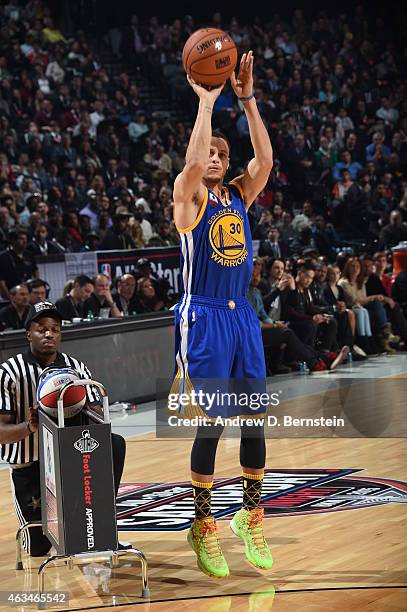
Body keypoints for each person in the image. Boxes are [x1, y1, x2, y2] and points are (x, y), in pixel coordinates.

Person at [171, 52, 274, 578]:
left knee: (255, 417)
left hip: (241, 318)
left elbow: (265, 162)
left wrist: (248, 100)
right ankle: (202, 523)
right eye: (207, 151)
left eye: (220, 152)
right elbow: (189, 167)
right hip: (203, 317)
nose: (212, 157)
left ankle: (250, 514)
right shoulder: (187, 199)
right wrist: (207, 103)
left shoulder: (238, 194)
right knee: (211, 423)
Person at [0, 301, 127, 556]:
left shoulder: (76, 368)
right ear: (28, 333)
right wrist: (30, 426)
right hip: (30, 465)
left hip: (70, 459)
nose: (49, 334)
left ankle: (102, 519)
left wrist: (77, 411)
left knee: (114, 442)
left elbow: (98, 413)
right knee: (38, 548)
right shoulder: (9, 372)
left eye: (55, 329)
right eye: (41, 329)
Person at [0, 228, 38, 299]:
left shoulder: (29, 255)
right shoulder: (3, 257)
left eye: (25, 239)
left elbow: (35, 271)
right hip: (12, 294)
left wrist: (36, 289)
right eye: (21, 239)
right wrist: (10, 298)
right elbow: (1, 281)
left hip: (28, 293)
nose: (24, 241)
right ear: (13, 241)